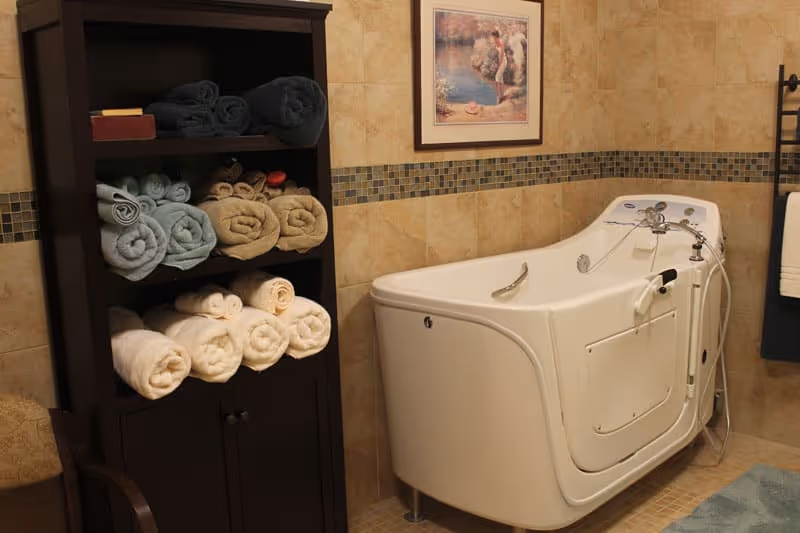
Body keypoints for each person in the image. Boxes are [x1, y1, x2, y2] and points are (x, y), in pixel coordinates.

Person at [491, 29, 507, 104]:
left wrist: (499, 65)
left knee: (497, 77)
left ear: (496, 36)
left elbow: (502, 55)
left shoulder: (501, 43)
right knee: (501, 79)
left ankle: (498, 97)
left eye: (493, 36)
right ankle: (502, 96)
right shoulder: (496, 43)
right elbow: (497, 54)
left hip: (503, 62)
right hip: (500, 61)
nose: (493, 38)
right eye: (492, 37)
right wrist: (497, 63)